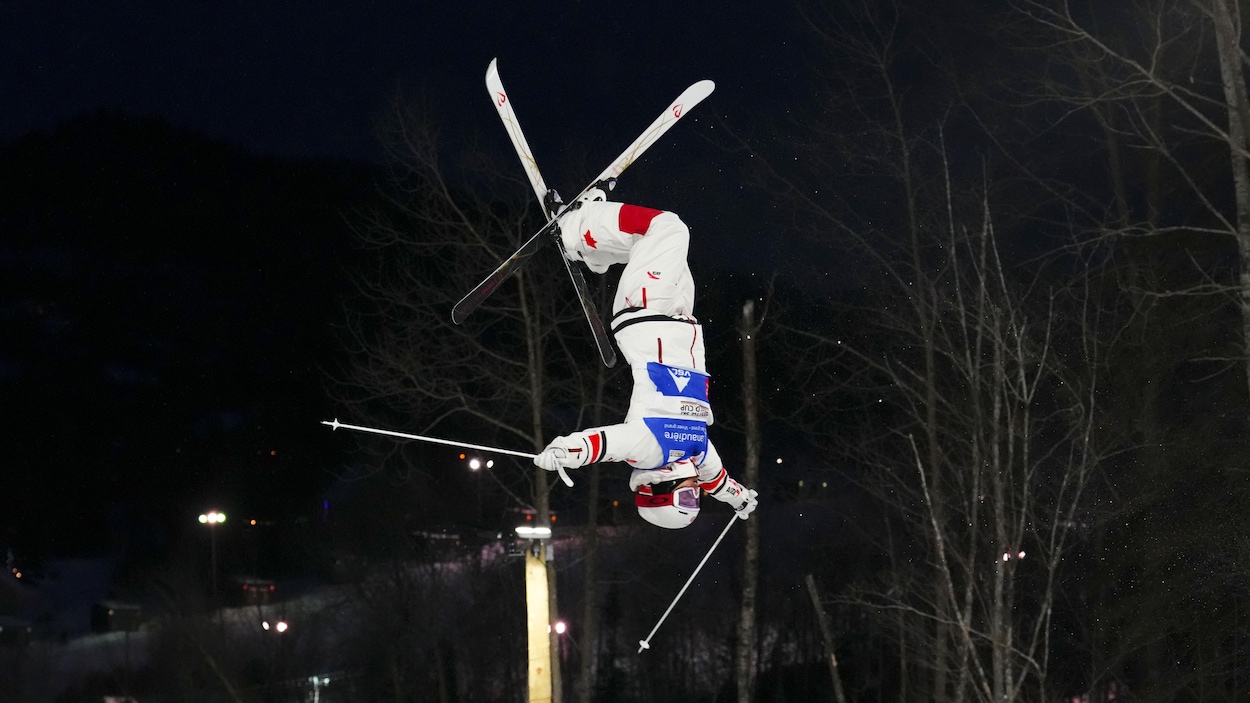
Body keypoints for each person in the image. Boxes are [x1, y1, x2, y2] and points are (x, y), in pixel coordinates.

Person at [533, 190, 759, 529]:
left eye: (685, 498)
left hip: (646, 312)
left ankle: (575, 227)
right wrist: (737, 497)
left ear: (657, 490)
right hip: (681, 320)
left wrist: (566, 452)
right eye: (695, 500)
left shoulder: (650, 449)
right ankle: (595, 251)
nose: (694, 491)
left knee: (668, 229)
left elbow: (604, 444)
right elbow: (717, 480)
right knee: (657, 246)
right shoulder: (695, 454)